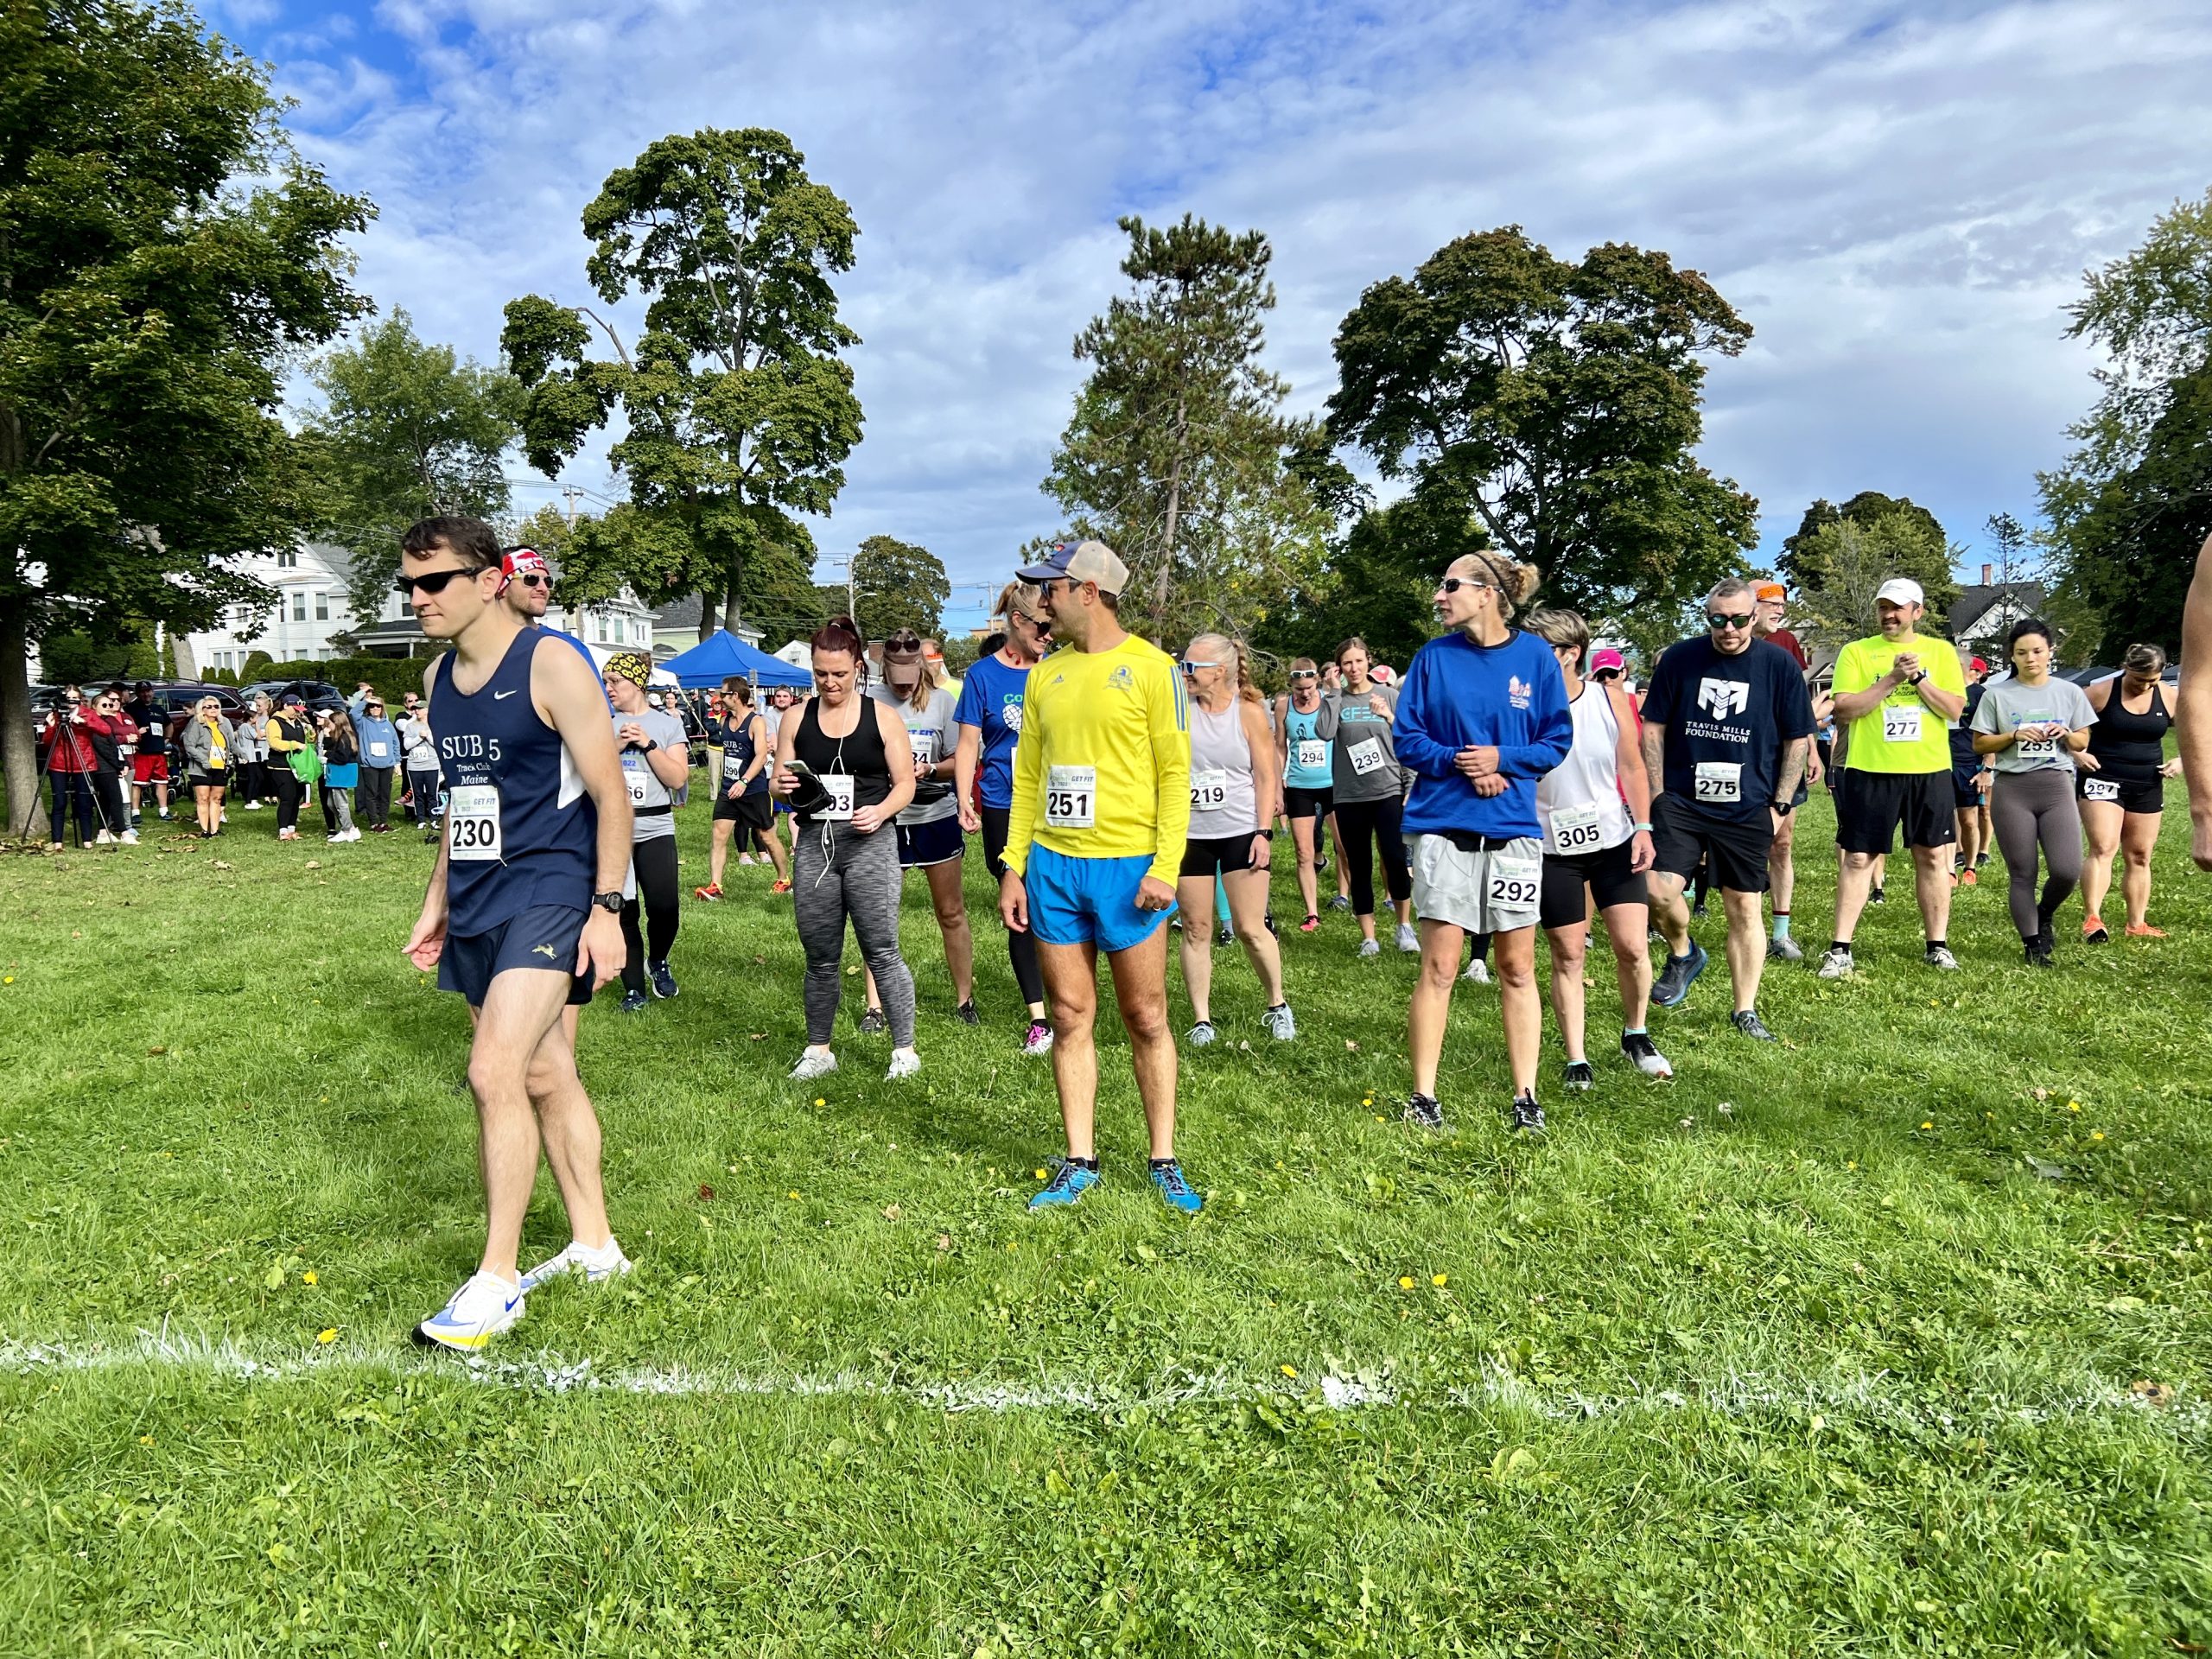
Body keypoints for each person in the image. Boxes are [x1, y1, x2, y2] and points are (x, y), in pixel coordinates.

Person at [397, 514, 634, 1351]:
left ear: (491, 579)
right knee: (543, 1069)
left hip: (554, 886)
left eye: (435, 582)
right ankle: (596, 1246)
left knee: (492, 1069)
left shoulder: (552, 662)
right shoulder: (436, 677)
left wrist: (607, 909)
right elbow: (461, 798)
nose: (418, 599)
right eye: (409, 585)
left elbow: (612, 794)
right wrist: (437, 899)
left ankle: (496, 1282)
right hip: (478, 893)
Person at [999, 541, 1198, 1214]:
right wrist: (1014, 867)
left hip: (1130, 868)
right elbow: (1029, 779)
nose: (1040, 603)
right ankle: (1080, 1160)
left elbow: (1175, 775)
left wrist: (1166, 868)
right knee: (1067, 1015)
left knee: (1146, 1015)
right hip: (1055, 867)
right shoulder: (1044, 675)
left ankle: (1163, 1158)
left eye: (1049, 590)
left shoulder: (1154, 669)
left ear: (1088, 591)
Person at [1396, 553, 1571, 1132]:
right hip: (1442, 827)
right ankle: (1423, 1098)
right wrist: (1464, 763)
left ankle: (1526, 1098)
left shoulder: (1536, 658)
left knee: (1517, 966)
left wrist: (1503, 759)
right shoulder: (1432, 658)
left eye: (1449, 585)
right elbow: (1408, 738)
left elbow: (1555, 741)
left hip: (1513, 831)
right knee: (1440, 964)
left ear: (1487, 593)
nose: (1439, 596)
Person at [1640, 578, 1816, 1041]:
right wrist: (1657, 794)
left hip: (1747, 805)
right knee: (1656, 891)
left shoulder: (1778, 664)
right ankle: (1684, 952)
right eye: (1718, 620)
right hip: (1682, 800)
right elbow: (1653, 728)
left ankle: (1745, 1010)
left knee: (1743, 908)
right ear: (1708, 617)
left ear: (1755, 617)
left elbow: (1797, 739)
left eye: (1739, 620)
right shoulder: (1681, 658)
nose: (1729, 629)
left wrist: (1780, 805)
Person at [1522, 608, 1670, 1087]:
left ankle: (1636, 1034)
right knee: (1568, 954)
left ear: (1571, 654)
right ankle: (1576, 1057)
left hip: (1612, 840)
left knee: (1632, 946)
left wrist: (1643, 827)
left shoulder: (1610, 699)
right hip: (1550, 846)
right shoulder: (1519, 704)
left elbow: (1631, 766)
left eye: (1541, 649)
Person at [772, 617, 922, 1083]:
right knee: (820, 955)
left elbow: (906, 784)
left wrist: (880, 812)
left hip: (869, 844)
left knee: (882, 950)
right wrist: (780, 787)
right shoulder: (796, 717)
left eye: (839, 673)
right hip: (816, 846)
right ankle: (819, 1049)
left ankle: (904, 1050)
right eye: (820, 673)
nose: (829, 682)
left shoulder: (883, 717)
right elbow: (777, 783)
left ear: (858, 667)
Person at [1819, 577, 1968, 977]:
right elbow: (1845, 709)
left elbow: (1954, 710)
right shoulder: (1856, 652)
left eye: (1898, 608)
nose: (1889, 614)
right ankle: (1840, 950)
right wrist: (1891, 679)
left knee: (1933, 856)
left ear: (1918, 612)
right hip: (1871, 769)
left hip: (1928, 770)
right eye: (1884, 607)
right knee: (1858, 857)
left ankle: (1937, 946)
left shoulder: (1940, 651)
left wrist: (1919, 679)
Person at [1177, 632, 1292, 1046]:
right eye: (1183, 666)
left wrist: (1263, 833)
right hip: (1190, 834)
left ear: (1219, 672)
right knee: (1196, 928)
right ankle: (1202, 1019)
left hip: (1241, 830)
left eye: (1192, 667)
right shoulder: (1180, 711)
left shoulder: (1248, 713)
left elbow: (1265, 776)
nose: (1184, 673)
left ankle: (1278, 1004)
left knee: (1249, 927)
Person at [954, 582, 1054, 1054]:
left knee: (1057, 902)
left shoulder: (1057, 670)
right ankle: (1039, 1019)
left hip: (1056, 805)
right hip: (1003, 803)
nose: (1049, 635)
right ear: (1018, 621)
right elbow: (968, 743)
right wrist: (964, 797)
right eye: (1042, 626)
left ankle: (1071, 1003)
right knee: (1020, 906)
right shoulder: (981, 676)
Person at [1971, 620, 2096, 966]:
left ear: (2050, 652)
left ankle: (2045, 912)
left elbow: (2082, 741)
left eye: (2038, 651)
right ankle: (2033, 946)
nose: (2031, 659)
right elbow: (1980, 743)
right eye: (2022, 652)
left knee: (2067, 869)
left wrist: (2065, 733)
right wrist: (2013, 735)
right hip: (2013, 788)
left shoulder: (2069, 692)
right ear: (2012, 656)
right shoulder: (1997, 695)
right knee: (2023, 873)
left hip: (2056, 785)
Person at [869, 630, 975, 1025]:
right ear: (884, 668)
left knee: (950, 911)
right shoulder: (871, 701)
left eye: (909, 677)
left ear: (922, 668)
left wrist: (929, 769)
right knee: (879, 916)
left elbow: (960, 760)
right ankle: (875, 1006)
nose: (902, 685)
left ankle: (964, 1000)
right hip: (887, 818)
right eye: (895, 677)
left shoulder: (943, 702)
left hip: (935, 814)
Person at [602, 652, 690, 1011]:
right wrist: (616, 746)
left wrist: (648, 745)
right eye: (606, 682)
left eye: (615, 681)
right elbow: (586, 775)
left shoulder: (667, 724)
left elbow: (678, 778)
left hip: (655, 825)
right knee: (623, 910)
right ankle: (634, 990)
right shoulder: (602, 724)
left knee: (664, 906)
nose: (609, 688)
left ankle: (658, 960)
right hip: (614, 830)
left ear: (637, 683)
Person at [2079, 644, 2182, 940]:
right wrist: (2077, 753)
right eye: (2139, 680)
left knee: (2140, 854)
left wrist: (2181, 760)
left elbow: (2196, 733)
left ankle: (2137, 924)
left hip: (2147, 783)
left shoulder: (2168, 696)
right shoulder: (2100, 692)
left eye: (2152, 681)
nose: (2145, 686)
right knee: (2103, 847)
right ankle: (2093, 920)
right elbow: (2065, 726)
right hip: (2103, 778)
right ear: (2126, 669)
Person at [1328, 636, 1417, 957]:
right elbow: (1324, 732)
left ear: (1368, 661)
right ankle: (1369, 936)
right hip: (1350, 795)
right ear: (1340, 668)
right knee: (1359, 863)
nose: (1353, 668)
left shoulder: (1389, 695)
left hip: (1388, 789)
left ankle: (1404, 925)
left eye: (1358, 661)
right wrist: (1333, 693)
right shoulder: (1336, 699)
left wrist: (1410, 785)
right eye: (1347, 663)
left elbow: (1409, 739)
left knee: (1395, 858)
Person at [1752, 582, 1820, 960]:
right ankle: (1749, 929)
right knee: (1747, 843)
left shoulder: (1786, 643)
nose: (1779, 610)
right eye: (1772, 604)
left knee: (1782, 842)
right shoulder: (1726, 645)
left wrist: (1812, 749)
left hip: (1783, 757)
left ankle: (1780, 934)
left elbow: (1799, 704)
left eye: (1782, 604)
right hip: (1743, 757)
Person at [697, 679, 789, 898]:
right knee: (719, 835)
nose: (720, 697)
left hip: (753, 789)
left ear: (735, 696)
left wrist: (744, 781)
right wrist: (733, 782)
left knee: (767, 836)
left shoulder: (756, 722)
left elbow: (761, 756)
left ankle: (784, 879)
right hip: (729, 789)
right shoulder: (724, 721)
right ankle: (715, 886)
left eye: (723, 693)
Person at [1274, 658, 1335, 931]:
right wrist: (1278, 783)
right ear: (1291, 685)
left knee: (1345, 848)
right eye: (1299, 689)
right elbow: (1280, 747)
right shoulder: (1283, 706)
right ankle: (1312, 913)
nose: (1305, 694)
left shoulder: (1329, 701)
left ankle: (1346, 896)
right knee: (1303, 852)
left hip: (1333, 783)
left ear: (1317, 682)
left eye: (1309, 688)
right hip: (1299, 786)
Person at [1949, 656, 1994, 885]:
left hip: (1970, 763)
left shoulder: (1981, 695)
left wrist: (1987, 768)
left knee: (1969, 819)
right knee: (1944, 819)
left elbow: (1992, 732)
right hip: (1941, 762)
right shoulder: (1939, 691)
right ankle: (1949, 869)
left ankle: (1971, 866)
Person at [36, 689, 100, 849]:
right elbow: (47, 742)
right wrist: (51, 726)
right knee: (59, 802)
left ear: (80, 698)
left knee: (84, 802)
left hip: (83, 762)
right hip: (59, 763)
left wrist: (84, 722)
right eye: (68, 698)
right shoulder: (57, 715)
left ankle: (87, 840)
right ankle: (57, 841)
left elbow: (105, 730)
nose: (71, 701)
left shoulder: (87, 713)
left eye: (74, 698)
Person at [179, 695, 234, 838]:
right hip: (201, 768)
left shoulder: (223, 723)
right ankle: (205, 830)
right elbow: (189, 745)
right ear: (202, 709)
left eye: (216, 706)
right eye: (209, 707)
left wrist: (242, 754)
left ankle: (215, 830)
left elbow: (231, 743)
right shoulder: (196, 723)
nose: (213, 709)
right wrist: (203, 760)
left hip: (220, 766)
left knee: (217, 798)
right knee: (203, 798)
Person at [264, 692, 315, 842]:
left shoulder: (297, 721)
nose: (297, 712)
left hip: (298, 766)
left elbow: (308, 740)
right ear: (286, 706)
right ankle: (283, 830)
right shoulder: (274, 722)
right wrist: (295, 745)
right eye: (295, 709)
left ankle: (292, 828)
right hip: (281, 766)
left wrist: (310, 733)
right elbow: (275, 743)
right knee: (287, 797)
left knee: (297, 797)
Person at [121, 682, 171, 824]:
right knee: (137, 783)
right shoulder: (130, 709)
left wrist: (167, 739)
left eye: (148, 691)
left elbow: (169, 724)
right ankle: (135, 812)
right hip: (142, 752)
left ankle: (164, 811)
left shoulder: (158, 709)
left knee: (161, 781)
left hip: (159, 752)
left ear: (152, 692)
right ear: (137, 693)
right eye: (143, 691)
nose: (146, 694)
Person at [397, 692, 442, 836]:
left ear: (426, 710)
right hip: (414, 765)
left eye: (419, 709)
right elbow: (407, 745)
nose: (416, 711)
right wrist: (418, 737)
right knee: (418, 794)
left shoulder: (435, 724)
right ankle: (421, 819)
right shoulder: (411, 726)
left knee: (432, 793)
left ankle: (434, 819)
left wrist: (427, 736)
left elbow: (438, 744)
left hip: (432, 764)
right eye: (414, 708)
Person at [354, 695, 399, 832]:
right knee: (371, 794)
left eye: (378, 706)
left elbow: (395, 744)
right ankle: (374, 823)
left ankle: (383, 821)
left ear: (382, 708)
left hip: (387, 765)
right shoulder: (362, 722)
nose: (375, 708)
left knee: (385, 794)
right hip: (370, 765)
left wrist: (397, 763)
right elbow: (354, 712)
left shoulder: (388, 725)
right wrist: (366, 700)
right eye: (372, 706)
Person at [319, 709, 361, 842]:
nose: (328, 725)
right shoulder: (339, 737)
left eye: (330, 723)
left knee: (341, 803)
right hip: (337, 773)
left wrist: (327, 754)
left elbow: (342, 757)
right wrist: (327, 737)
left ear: (336, 723)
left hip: (341, 773)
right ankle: (351, 828)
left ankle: (346, 830)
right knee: (331, 803)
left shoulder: (344, 738)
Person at [235, 694, 270, 811]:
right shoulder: (246, 727)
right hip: (248, 757)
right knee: (254, 778)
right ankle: (249, 801)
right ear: (251, 719)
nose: (257, 719)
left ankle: (253, 799)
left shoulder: (245, 727)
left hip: (252, 757)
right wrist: (257, 726)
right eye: (255, 718)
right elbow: (259, 736)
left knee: (259, 777)